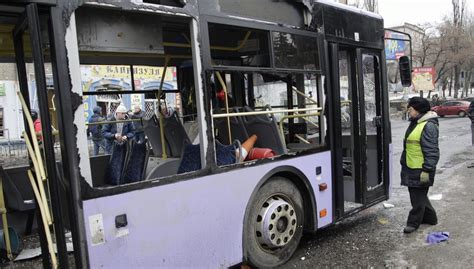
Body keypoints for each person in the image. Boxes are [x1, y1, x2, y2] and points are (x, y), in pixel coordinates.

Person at [400, 97, 440, 233]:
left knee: (417, 198)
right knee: (419, 195)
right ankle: (431, 218)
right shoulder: (416, 122)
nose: (409, 112)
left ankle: (413, 223)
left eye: (410, 109)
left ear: (418, 110)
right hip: (412, 166)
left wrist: (427, 170)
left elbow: (432, 150)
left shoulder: (428, 125)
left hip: (421, 169)